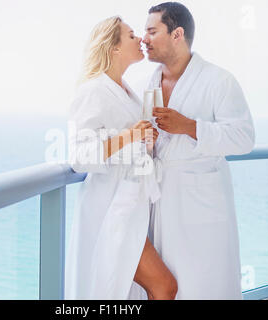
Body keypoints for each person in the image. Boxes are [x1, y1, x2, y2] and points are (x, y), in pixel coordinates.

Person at [141, 2, 256, 299]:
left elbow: (244, 138)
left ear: (177, 34)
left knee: (205, 282)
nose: (144, 39)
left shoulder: (220, 81)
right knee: (169, 284)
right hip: (162, 203)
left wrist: (190, 126)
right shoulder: (149, 83)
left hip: (202, 205)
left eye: (152, 31)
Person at [65, 16, 178, 300]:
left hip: (131, 205)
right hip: (110, 209)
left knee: (126, 291)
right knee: (164, 286)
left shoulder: (127, 92)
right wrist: (129, 136)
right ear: (113, 48)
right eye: (130, 36)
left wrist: (145, 141)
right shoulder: (92, 91)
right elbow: (79, 156)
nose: (140, 39)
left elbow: (130, 144)